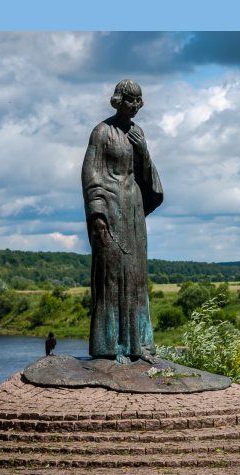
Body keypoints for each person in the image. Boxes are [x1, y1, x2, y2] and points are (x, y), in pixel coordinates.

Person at [80, 80, 163, 364]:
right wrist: (97, 213)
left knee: (136, 276)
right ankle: (110, 346)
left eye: (139, 101)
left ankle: (139, 345)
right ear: (119, 100)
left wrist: (144, 151)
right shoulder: (102, 132)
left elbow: (145, 175)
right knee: (111, 276)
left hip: (133, 212)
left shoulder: (138, 133)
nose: (136, 106)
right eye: (131, 100)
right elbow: (90, 173)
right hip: (110, 209)